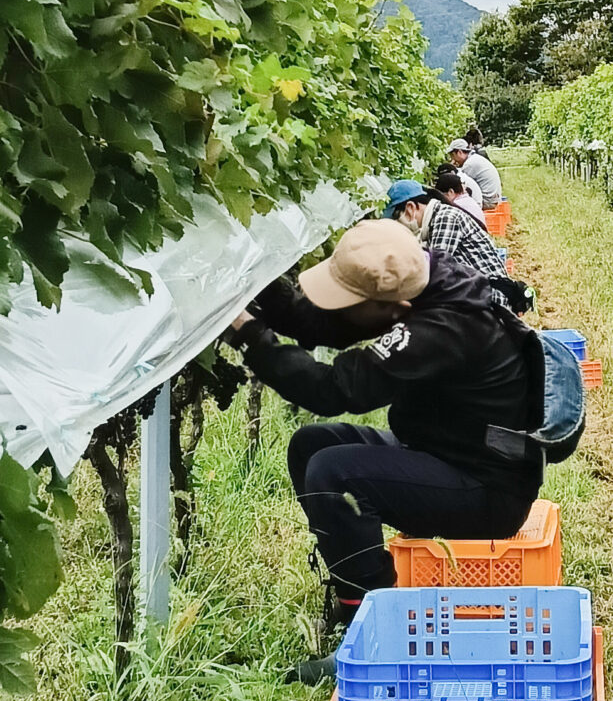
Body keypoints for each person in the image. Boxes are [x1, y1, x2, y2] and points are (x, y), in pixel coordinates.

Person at [229, 218, 543, 631]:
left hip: (487, 490)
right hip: (445, 451)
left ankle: (373, 623)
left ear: (396, 309)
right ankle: (351, 587)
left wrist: (250, 337)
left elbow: (332, 390)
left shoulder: (445, 327)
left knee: (334, 473)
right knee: (310, 446)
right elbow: (330, 322)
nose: (339, 303)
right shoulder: (424, 277)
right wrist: (255, 284)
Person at [386, 176, 531, 305]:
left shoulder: (446, 218)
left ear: (411, 208)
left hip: (491, 298)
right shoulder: (432, 223)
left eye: (395, 219)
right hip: (476, 292)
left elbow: (434, 271)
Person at [450, 138, 503, 212]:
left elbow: (461, 186)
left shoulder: (469, 164)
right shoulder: (474, 158)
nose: (452, 159)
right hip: (493, 198)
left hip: (488, 201)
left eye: (452, 155)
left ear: (459, 152)